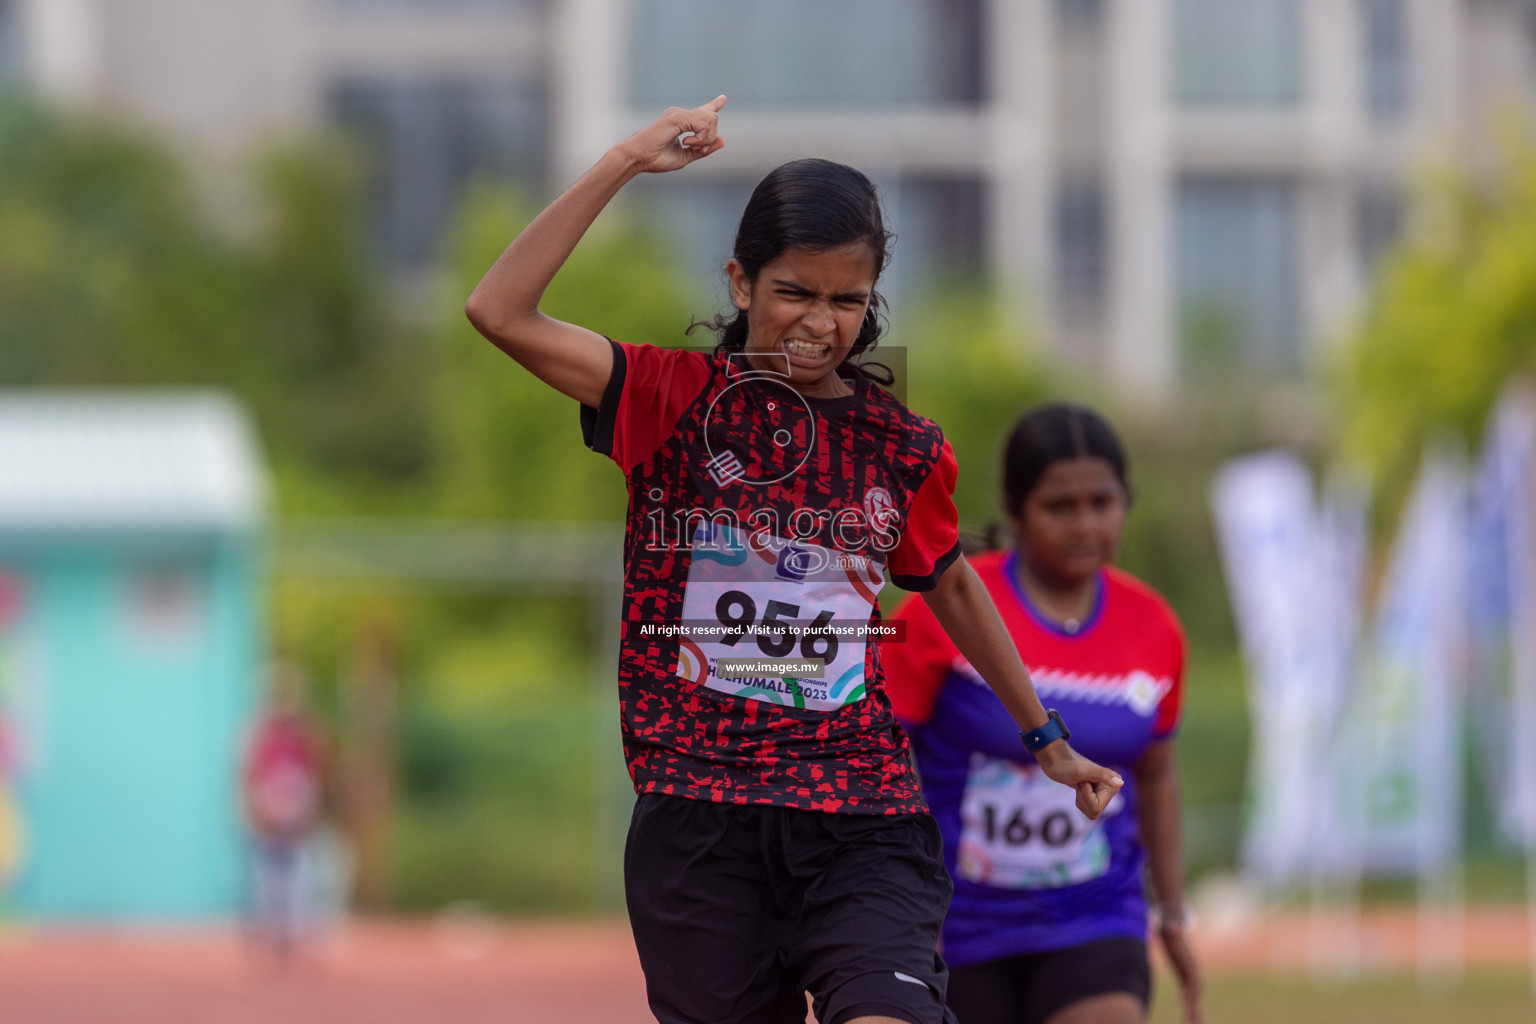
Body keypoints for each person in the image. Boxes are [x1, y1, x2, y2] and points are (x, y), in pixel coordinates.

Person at [465, 96, 1122, 1024]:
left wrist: (1047, 740)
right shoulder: (667, 399)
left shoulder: (904, 448)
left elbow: (953, 582)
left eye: (848, 300)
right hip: (699, 819)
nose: (821, 323)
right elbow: (497, 310)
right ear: (741, 283)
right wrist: (624, 161)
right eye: (796, 293)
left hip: (857, 807)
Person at [883, 404, 1203, 1024]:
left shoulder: (1154, 626)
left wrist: (1173, 913)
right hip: (956, 926)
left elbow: (1158, 776)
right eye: (1060, 506)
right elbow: (883, 757)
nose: (1085, 524)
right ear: (1015, 508)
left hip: (1095, 918)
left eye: (1102, 502)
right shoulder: (948, 608)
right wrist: (893, 910)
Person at [242, 663, 327, 962]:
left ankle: (297, 931)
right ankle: (270, 931)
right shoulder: (258, 736)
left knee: (301, 877)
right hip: (268, 815)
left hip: (297, 816)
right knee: (266, 879)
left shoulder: (305, 736)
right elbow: (250, 778)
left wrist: (306, 813)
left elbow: (314, 777)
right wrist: (257, 813)